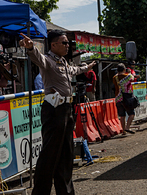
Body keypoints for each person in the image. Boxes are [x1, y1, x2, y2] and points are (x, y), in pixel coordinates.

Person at [19, 30, 96, 195]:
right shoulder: (48, 61)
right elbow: (37, 58)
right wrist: (31, 48)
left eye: (68, 43)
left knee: (66, 154)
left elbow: (75, 70)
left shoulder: (63, 62)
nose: (68, 45)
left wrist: (87, 67)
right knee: (50, 154)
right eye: (64, 42)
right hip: (54, 111)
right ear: (53, 45)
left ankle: (66, 191)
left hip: (66, 110)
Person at [113, 63, 135, 135]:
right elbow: (133, 78)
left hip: (118, 98)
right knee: (131, 114)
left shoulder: (114, 78)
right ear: (124, 69)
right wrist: (129, 72)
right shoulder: (128, 76)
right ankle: (127, 127)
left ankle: (123, 131)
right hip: (127, 98)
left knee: (122, 116)